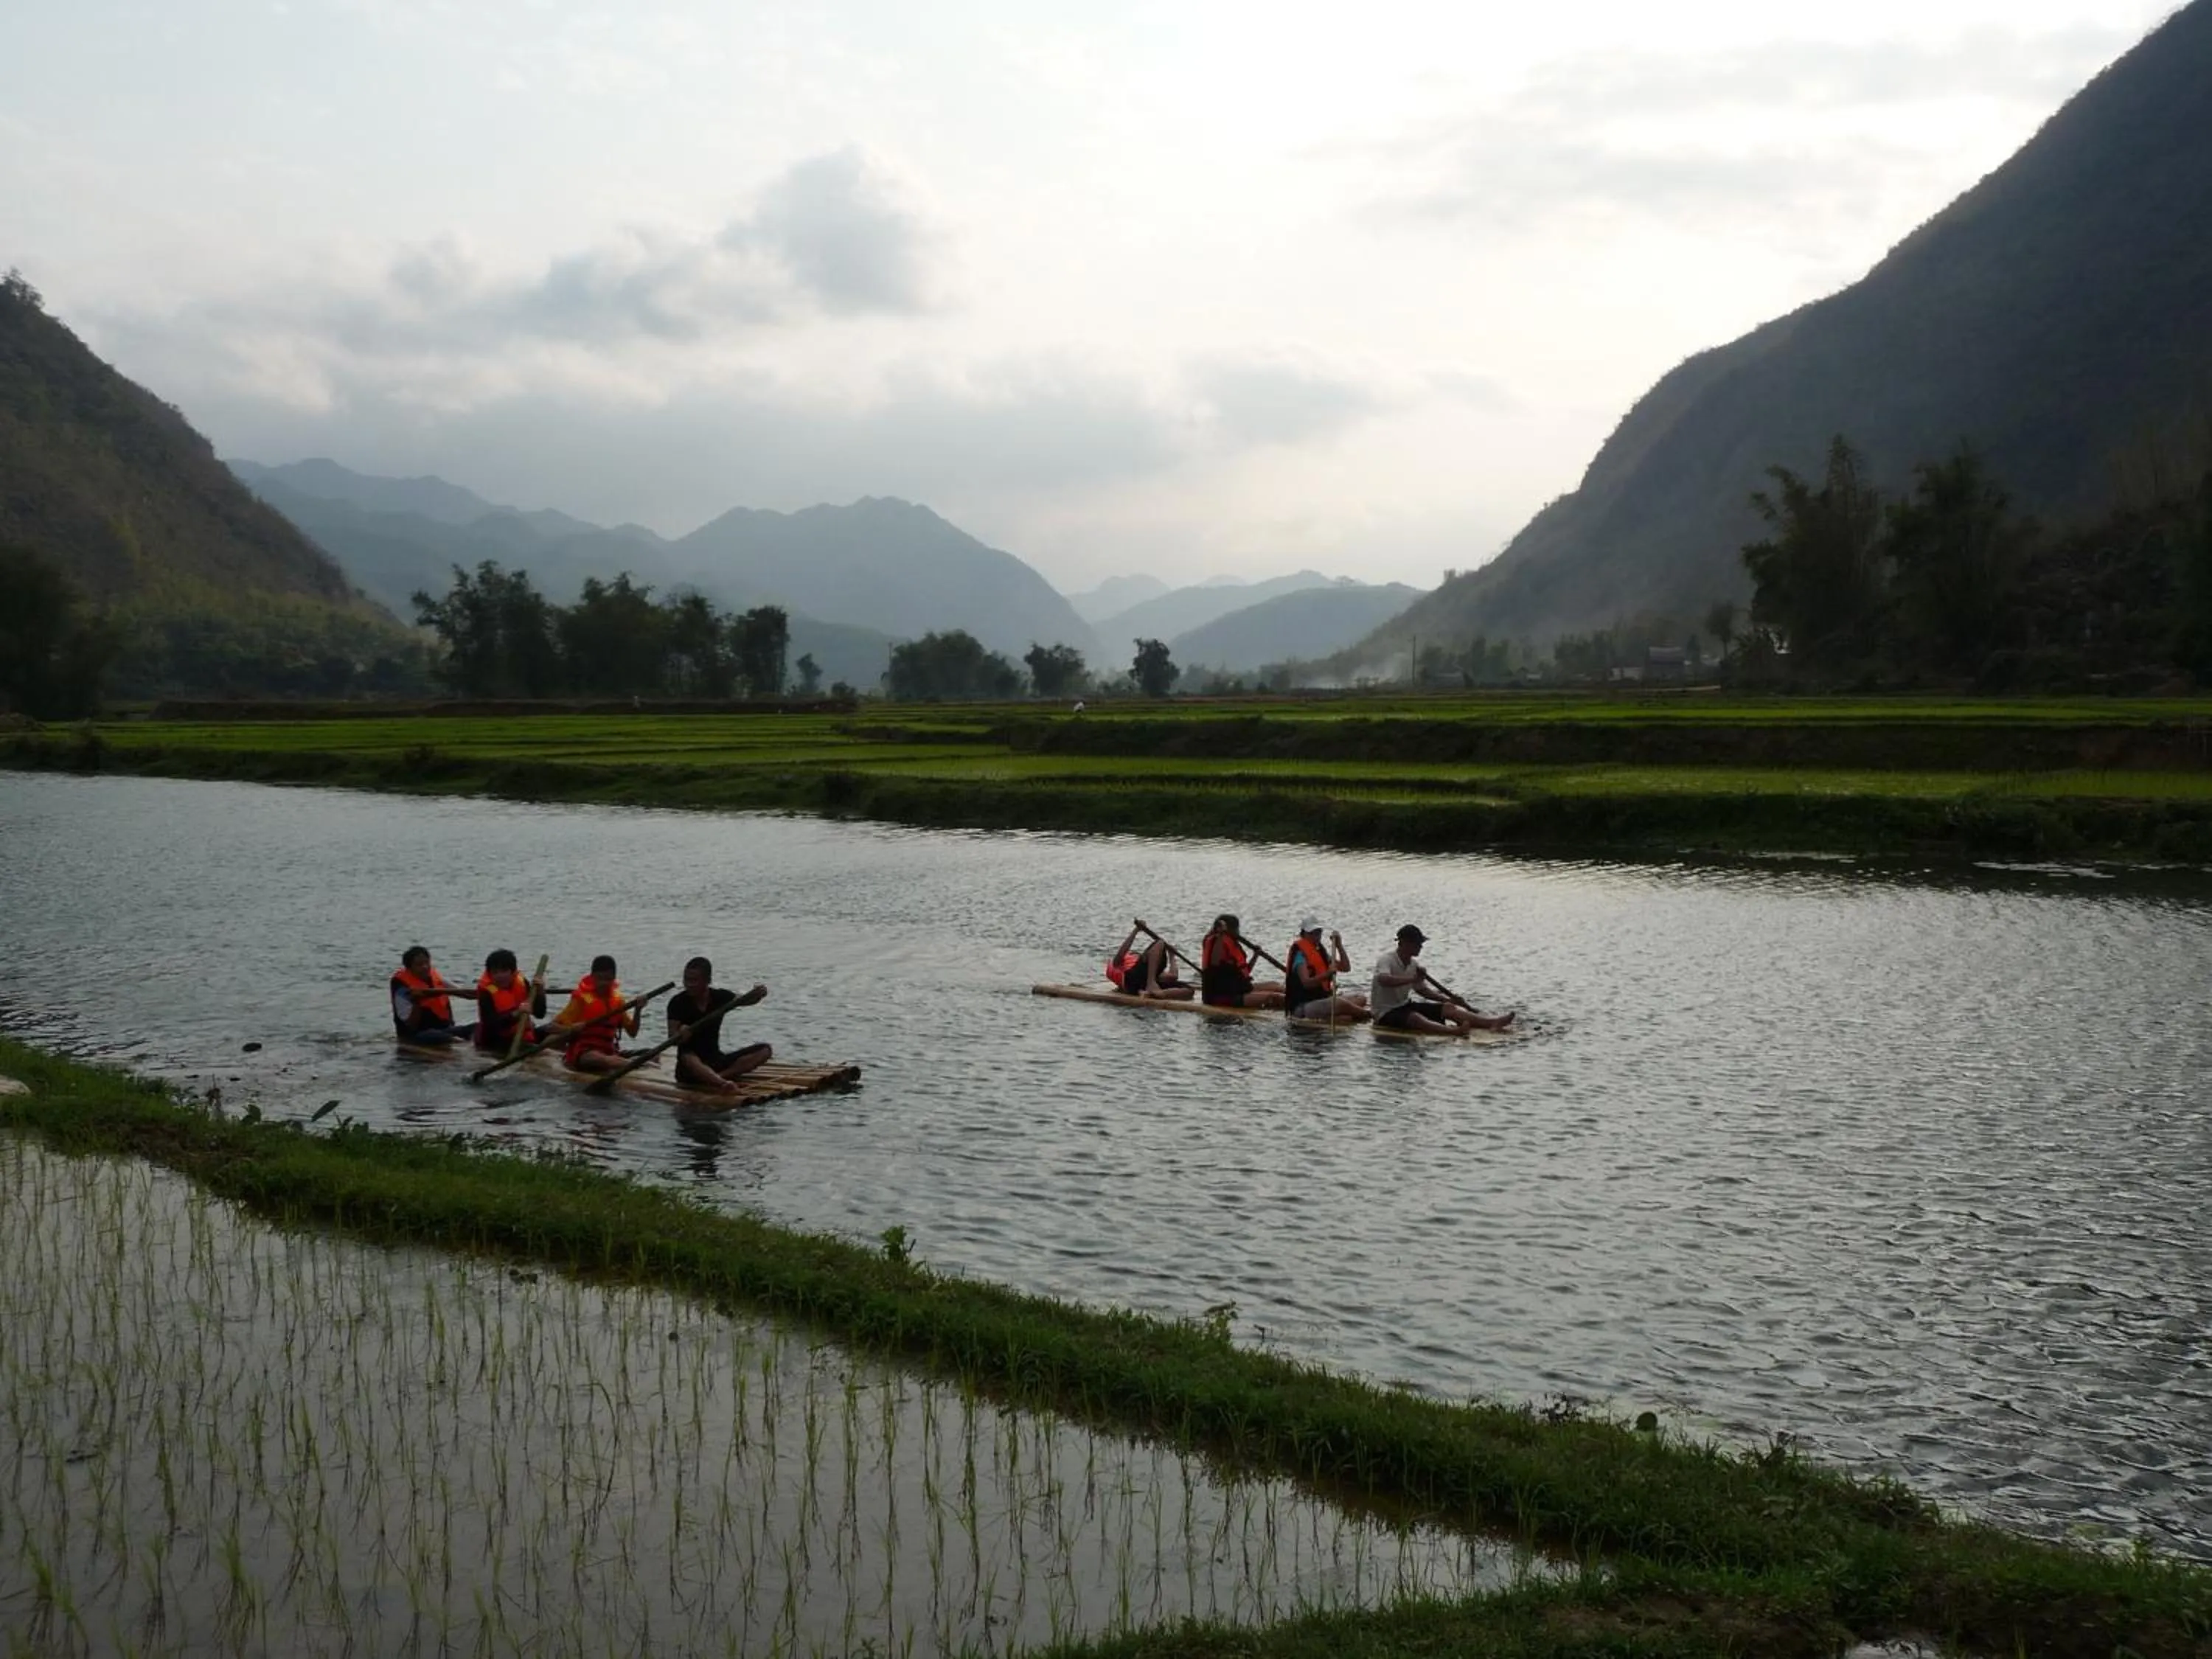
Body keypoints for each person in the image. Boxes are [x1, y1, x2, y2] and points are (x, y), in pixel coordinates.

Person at [1370, 925, 1514, 1035]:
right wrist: (1412, 979)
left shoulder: (1414, 965)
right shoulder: (1387, 960)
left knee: (1448, 1009)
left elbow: (1423, 990)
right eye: (1417, 944)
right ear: (1404, 943)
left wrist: (1446, 999)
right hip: (1385, 1013)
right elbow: (1384, 980)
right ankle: (1454, 1032)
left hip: (1404, 1005)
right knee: (1415, 1018)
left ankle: (1491, 1023)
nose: (1420, 947)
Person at [667, 956, 773, 1093]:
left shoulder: (720, 997)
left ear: (708, 981)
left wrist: (758, 994)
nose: (689, 984)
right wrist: (681, 1034)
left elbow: (747, 1001)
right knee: (687, 1057)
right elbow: (671, 1038)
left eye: (694, 980)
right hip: (690, 1068)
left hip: (715, 1059)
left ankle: (719, 1078)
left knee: (765, 1050)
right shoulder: (677, 1002)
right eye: (686, 980)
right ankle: (721, 1083)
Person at [552, 954, 639, 1074]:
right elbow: (553, 1027)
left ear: (614, 978)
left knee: (653, 1055)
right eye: (600, 979)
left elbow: (633, 1033)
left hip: (609, 1051)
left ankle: (635, 1064)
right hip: (584, 1052)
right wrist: (572, 1028)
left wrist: (638, 1010)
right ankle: (636, 1066)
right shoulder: (581, 999)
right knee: (604, 1060)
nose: (604, 983)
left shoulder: (618, 1000)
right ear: (592, 977)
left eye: (608, 979)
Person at [1284, 919, 1368, 1023]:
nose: (1317, 936)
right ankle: (1368, 1015)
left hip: (1322, 999)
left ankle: (1343, 1015)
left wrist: (1339, 946)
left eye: (1319, 932)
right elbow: (1307, 983)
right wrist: (1327, 974)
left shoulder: (1319, 951)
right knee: (1340, 1004)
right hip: (1304, 1006)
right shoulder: (1300, 955)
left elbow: (1345, 968)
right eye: (1313, 933)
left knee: (1360, 997)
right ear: (1304, 934)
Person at [391, 945, 474, 1046]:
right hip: (418, 1035)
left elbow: (462, 992)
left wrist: (488, 991)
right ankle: (466, 1046)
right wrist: (417, 1002)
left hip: (445, 1030)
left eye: (427, 963)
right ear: (409, 968)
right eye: (419, 965)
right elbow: (410, 1025)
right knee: (435, 1036)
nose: (425, 967)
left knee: (478, 1028)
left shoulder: (436, 978)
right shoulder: (402, 989)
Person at [1199, 914, 1285, 1009]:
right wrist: (1221, 933)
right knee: (1274, 997)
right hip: (1222, 996)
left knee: (1276, 986)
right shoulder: (1216, 942)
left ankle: (1300, 996)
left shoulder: (1231, 943)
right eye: (1236, 929)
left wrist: (1255, 956)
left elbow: (1245, 972)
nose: (1238, 932)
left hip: (1239, 989)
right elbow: (1215, 963)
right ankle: (1297, 1006)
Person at [471, 949, 547, 1052]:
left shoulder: (522, 982)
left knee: (551, 1031)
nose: (500, 976)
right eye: (495, 972)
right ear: (489, 974)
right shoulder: (487, 992)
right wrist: (516, 1014)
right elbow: (491, 1025)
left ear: (513, 971)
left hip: (522, 1035)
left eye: (504, 971)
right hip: (495, 1040)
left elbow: (540, 1014)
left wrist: (540, 993)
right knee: (539, 1053)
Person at [1106, 919, 1194, 1001]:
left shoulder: (1151, 968)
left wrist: (1172, 956)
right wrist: (1136, 931)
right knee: (1160, 942)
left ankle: (1157, 994)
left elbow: (1173, 976)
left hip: (1142, 985)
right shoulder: (1127, 961)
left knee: (1189, 990)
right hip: (1132, 980)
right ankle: (1151, 984)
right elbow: (1117, 960)